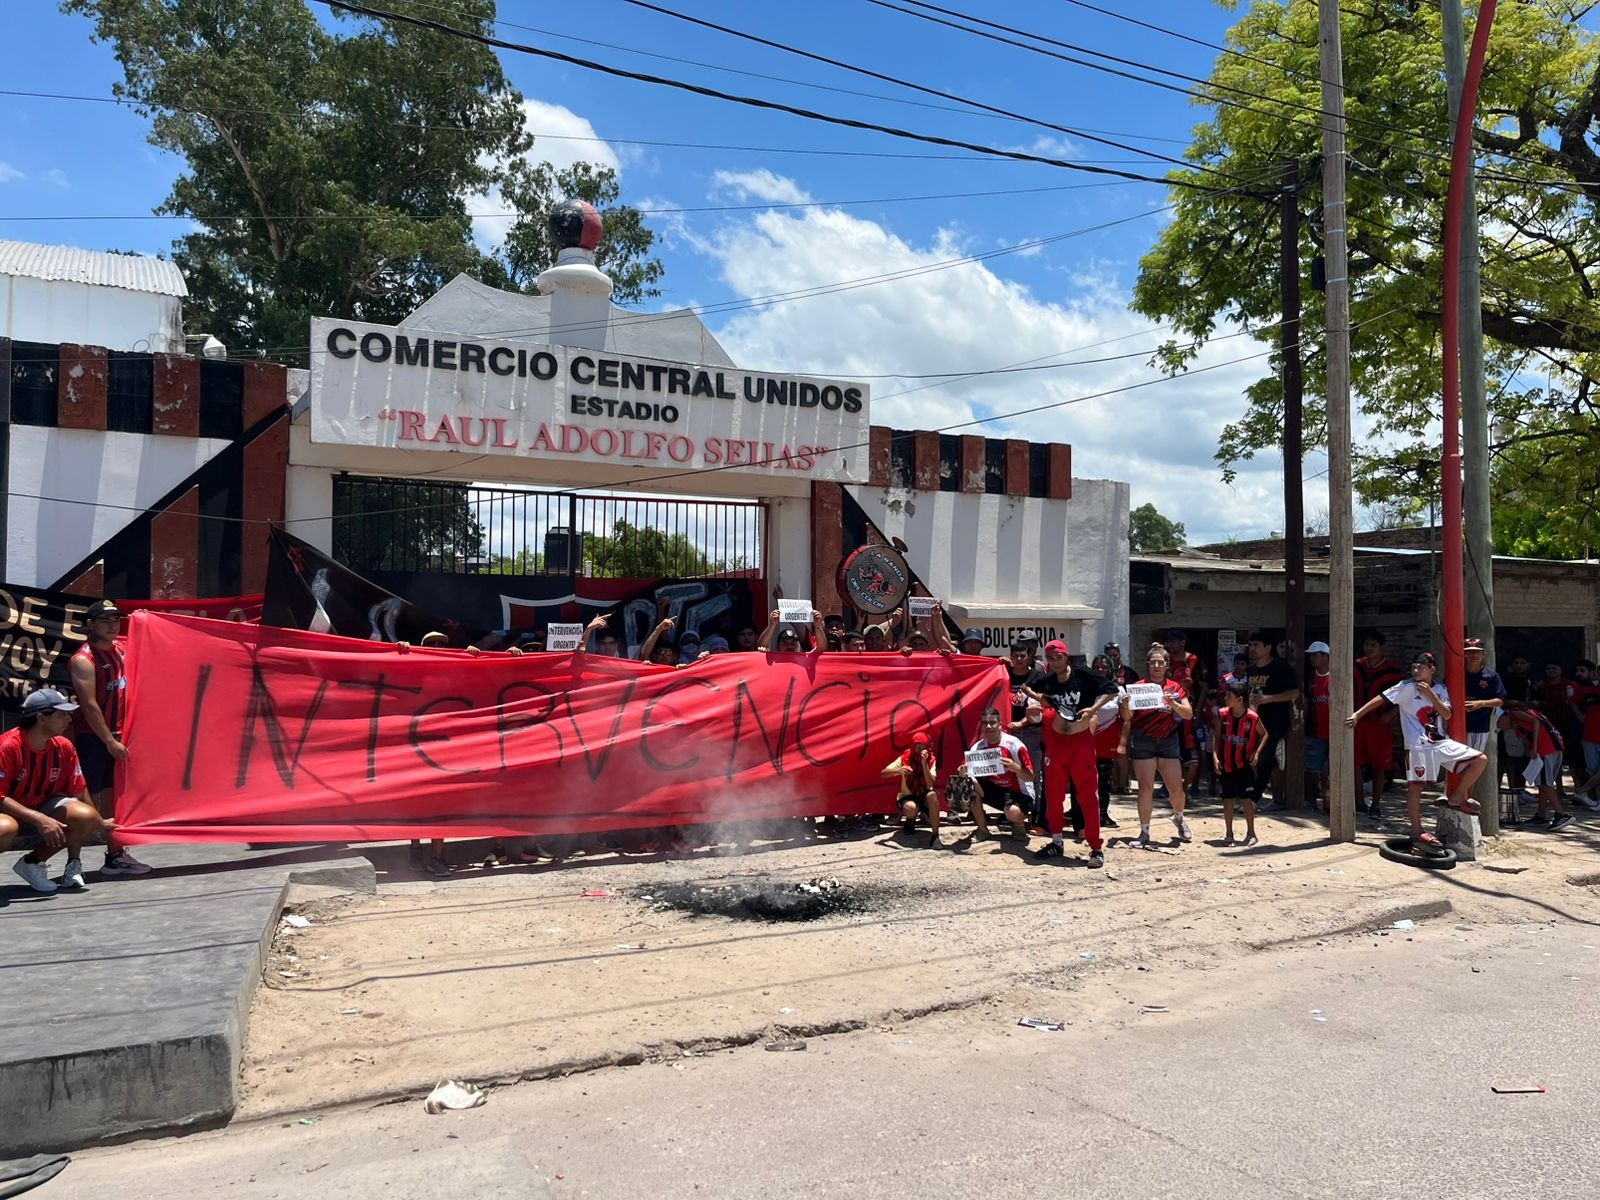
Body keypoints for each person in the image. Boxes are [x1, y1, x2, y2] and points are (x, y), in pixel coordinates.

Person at [1346, 651, 1487, 853]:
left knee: (1479, 759)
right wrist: (1358, 714)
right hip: (1417, 744)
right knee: (1416, 785)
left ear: (1431, 669)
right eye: (1413, 667)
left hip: (1439, 741)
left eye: (1420, 667)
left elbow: (1447, 714)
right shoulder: (1406, 687)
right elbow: (1381, 698)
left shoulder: (1440, 688)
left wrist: (1431, 695)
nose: (1416, 670)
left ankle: (1456, 796)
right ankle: (1416, 830)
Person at [68, 599, 151, 876]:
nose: (112, 625)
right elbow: (89, 706)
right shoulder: (84, 659)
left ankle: (115, 856)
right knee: (85, 799)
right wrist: (109, 741)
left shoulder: (122, 650)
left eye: (115, 620)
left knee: (116, 798)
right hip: (94, 737)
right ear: (90, 625)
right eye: (105, 621)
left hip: (121, 734)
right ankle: (73, 863)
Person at [2, 689, 112, 893]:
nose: (69, 719)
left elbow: (78, 788)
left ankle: (32, 862)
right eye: (62, 714)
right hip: (8, 812)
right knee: (5, 828)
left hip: (41, 808)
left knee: (85, 816)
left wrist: (98, 821)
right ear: (41, 718)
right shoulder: (8, 747)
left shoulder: (64, 747)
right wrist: (38, 818)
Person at [1034, 640, 1115, 866]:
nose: (1055, 662)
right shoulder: (1047, 682)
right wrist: (1036, 706)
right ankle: (1057, 841)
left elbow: (1112, 690)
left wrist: (1093, 709)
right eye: (1050, 658)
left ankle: (1096, 848)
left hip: (1081, 743)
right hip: (1056, 744)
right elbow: (1030, 691)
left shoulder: (1084, 676)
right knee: (1054, 795)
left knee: (1088, 795)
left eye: (1058, 657)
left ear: (1066, 657)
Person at [1118, 646, 1194, 849]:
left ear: (1167, 665)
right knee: (1145, 787)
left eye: (1161, 662)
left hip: (1168, 739)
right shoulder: (1138, 686)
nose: (1157, 666)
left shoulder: (1175, 687)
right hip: (1143, 739)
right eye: (1153, 662)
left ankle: (1178, 817)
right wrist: (1125, 706)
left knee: (1176, 788)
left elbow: (1188, 713)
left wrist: (1174, 704)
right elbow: (1127, 718)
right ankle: (1144, 831)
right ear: (1148, 665)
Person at [955, 708, 1036, 842]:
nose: (988, 726)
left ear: (999, 724)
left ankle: (1019, 825)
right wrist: (963, 772)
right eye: (984, 723)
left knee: (1013, 813)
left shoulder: (1014, 745)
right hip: (996, 791)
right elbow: (964, 771)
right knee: (969, 784)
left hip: (1020, 793)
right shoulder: (977, 748)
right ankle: (982, 830)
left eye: (992, 723)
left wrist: (1016, 768)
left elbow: (1030, 777)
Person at [1246, 631, 1301, 812]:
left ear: (1268, 648)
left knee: (1265, 760)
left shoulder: (1280, 668)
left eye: (1256, 645)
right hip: (1254, 722)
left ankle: (1254, 799)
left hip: (1275, 721)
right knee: (1257, 760)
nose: (1252, 649)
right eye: (1251, 645)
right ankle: (1270, 799)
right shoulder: (1252, 670)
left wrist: (1268, 698)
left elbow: (1294, 693)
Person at [1353, 631, 1404, 823]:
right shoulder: (1356, 666)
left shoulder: (1393, 671)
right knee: (1355, 763)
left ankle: (1375, 804)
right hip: (1358, 721)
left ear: (1382, 647)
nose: (1369, 648)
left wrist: (1391, 714)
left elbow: (1402, 697)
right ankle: (1358, 802)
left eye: (1373, 645)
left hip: (1380, 724)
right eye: (1366, 644)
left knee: (1379, 765)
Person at [1497, 706, 1575, 831]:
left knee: (1545, 783)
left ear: (1504, 718)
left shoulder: (1515, 713)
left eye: (1499, 723)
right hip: (1553, 746)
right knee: (1541, 783)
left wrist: (1534, 747)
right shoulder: (1515, 725)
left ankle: (1562, 815)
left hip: (1545, 747)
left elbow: (1536, 722)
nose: (1500, 727)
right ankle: (1541, 815)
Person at [1213, 680, 1264, 846]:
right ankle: (1228, 834)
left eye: (1229, 695)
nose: (1226, 698)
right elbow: (1216, 737)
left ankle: (1251, 833)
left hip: (1244, 765)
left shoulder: (1252, 718)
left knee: (1246, 799)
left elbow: (1265, 734)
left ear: (1240, 699)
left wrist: (1257, 753)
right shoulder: (1222, 715)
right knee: (1227, 799)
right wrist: (1215, 757)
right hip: (1226, 765)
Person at [883, 731, 941, 848]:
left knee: (933, 796)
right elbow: (883, 773)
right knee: (911, 808)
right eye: (917, 747)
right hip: (909, 795)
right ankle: (910, 820)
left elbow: (930, 783)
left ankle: (935, 835)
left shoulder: (931, 760)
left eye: (922, 747)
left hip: (924, 794)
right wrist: (898, 770)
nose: (920, 750)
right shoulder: (905, 758)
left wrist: (924, 764)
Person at [1461, 637, 1506, 755]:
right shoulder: (1456, 673)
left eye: (1477, 652)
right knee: (1458, 763)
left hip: (1480, 726)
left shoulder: (1491, 675)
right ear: (1464, 654)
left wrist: (1480, 703)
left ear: (1483, 654)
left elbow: (1500, 701)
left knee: (1475, 759)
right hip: (1457, 725)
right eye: (1469, 652)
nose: (1473, 655)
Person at [1303, 641, 1333, 812]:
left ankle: (1329, 805)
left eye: (1315, 654)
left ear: (1325, 656)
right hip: (1316, 731)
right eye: (1311, 655)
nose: (1312, 658)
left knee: (1330, 771)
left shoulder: (1335, 677)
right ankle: (1310, 801)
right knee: (1312, 769)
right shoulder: (1310, 678)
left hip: (1334, 732)